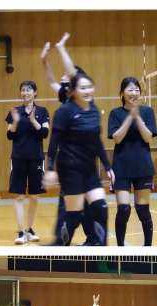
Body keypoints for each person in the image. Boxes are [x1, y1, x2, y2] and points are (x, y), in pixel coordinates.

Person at [44, 63, 115, 246]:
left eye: (89, 86)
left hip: (89, 169)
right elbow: (54, 142)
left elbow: (97, 141)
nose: (87, 90)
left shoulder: (93, 110)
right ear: (74, 91)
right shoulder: (64, 111)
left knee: (100, 207)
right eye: (82, 87)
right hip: (70, 169)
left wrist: (107, 166)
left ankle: (101, 251)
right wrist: (50, 169)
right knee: (74, 215)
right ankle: (60, 246)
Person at [40, 36, 96, 246]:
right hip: (69, 160)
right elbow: (51, 81)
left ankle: (67, 241)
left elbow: (72, 74)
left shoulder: (84, 98)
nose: (63, 81)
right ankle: (76, 239)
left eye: (67, 79)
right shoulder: (65, 99)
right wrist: (44, 61)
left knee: (75, 202)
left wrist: (62, 48)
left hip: (83, 160)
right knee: (75, 201)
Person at [108, 77, 157, 246]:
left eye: (137, 90)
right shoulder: (115, 113)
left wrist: (138, 117)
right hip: (121, 167)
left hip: (143, 167)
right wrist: (130, 116)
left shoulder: (148, 112)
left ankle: (148, 248)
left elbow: (148, 137)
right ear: (122, 93)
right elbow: (117, 138)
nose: (134, 92)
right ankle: (120, 248)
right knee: (123, 209)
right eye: (130, 89)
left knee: (143, 209)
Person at [6, 81, 49, 244]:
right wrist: (16, 122)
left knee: (34, 197)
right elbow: (9, 135)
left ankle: (29, 229)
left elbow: (45, 133)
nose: (25, 92)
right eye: (23, 90)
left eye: (28, 90)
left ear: (35, 93)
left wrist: (33, 120)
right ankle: (21, 232)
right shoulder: (14, 112)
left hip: (36, 158)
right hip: (18, 158)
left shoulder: (42, 111)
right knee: (18, 196)